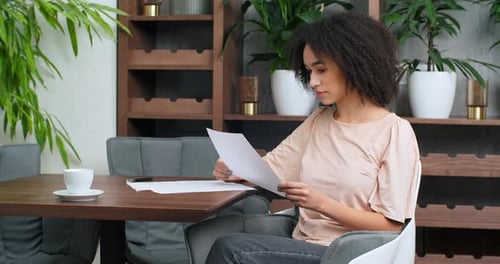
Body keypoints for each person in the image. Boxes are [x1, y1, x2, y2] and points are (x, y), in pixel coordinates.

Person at [207, 11, 420, 264]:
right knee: (215, 236)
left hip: (351, 255)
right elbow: (271, 170)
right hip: (304, 247)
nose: (313, 82)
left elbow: (390, 226)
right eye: (308, 71)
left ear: (355, 63)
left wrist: (320, 203)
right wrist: (236, 168)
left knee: (232, 249)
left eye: (321, 70)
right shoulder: (318, 121)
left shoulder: (394, 132)